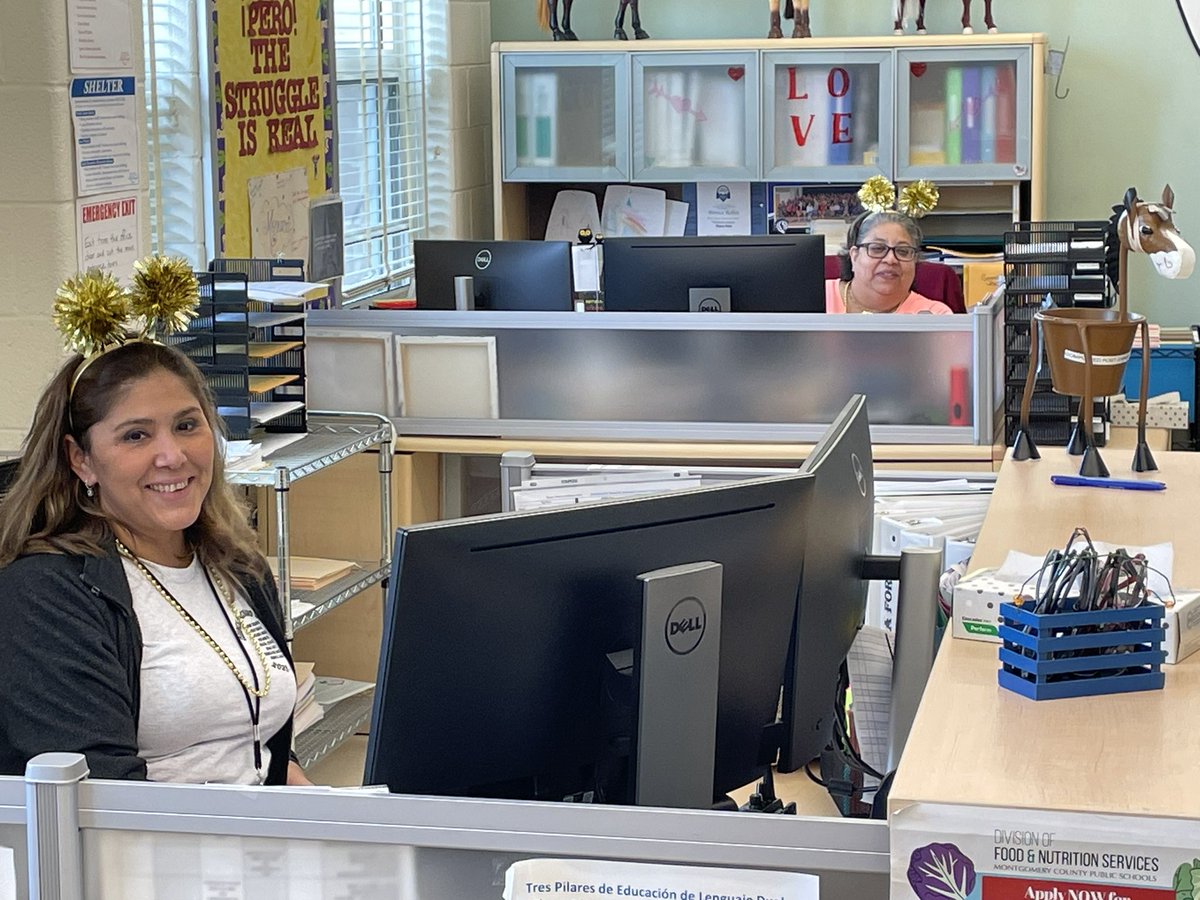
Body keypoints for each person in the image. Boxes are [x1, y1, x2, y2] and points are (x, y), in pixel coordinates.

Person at [0, 338, 308, 785]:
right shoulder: (45, 593)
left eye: (187, 425)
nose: (172, 456)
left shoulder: (236, 564)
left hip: (258, 841)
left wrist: (343, 826)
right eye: (136, 436)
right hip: (154, 847)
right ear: (81, 460)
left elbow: (262, 746)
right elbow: (100, 798)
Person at [826, 210, 953, 315]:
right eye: (878, 249)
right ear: (854, 256)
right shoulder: (815, 297)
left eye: (903, 251)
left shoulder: (936, 315)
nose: (891, 259)